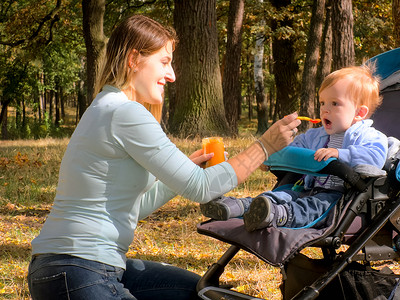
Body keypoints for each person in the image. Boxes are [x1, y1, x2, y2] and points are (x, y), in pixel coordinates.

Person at [27, 15, 300, 300]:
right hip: (80, 271)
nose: (172, 76)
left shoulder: (105, 106)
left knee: (202, 292)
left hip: (65, 268)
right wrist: (265, 146)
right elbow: (202, 187)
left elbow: (134, 207)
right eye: (165, 62)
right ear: (134, 59)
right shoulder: (126, 113)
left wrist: (182, 172)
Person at [201, 64, 388, 232]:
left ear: (359, 112)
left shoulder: (369, 136)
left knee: (309, 207)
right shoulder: (315, 135)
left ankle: (276, 214)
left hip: (339, 197)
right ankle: (237, 207)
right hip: (307, 187)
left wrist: (341, 154)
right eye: (322, 102)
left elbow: (375, 156)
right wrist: (270, 158)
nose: (324, 109)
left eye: (334, 103)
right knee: (281, 194)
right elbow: (293, 151)